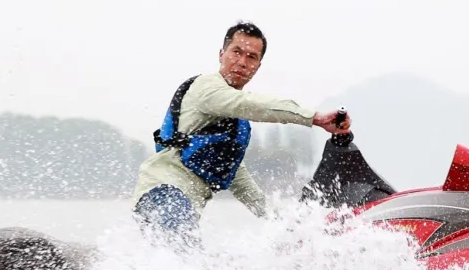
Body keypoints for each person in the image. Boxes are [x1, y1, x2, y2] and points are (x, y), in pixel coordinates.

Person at [131, 21, 352, 244]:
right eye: (236, 52)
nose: (242, 62)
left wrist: (275, 220)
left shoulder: (233, 120)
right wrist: (314, 117)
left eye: (251, 57)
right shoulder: (206, 88)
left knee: (187, 263)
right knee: (185, 258)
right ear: (221, 54)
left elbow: (236, 175)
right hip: (161, 194)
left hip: (184, 207)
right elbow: (252, 105)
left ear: (258, 66)